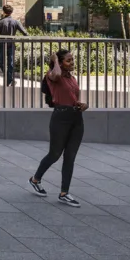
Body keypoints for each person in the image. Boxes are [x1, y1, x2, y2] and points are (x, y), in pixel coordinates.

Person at [29, 49, 86, 206]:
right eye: (68, 60)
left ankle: (64, 193)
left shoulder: (72, 79)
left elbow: (73, 98)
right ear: (59, 63)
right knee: (54, 154)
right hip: (60, 118)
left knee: (70, 157)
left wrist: (81, 104)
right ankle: (35, 179)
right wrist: (54, 60)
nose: (72, 63)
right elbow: (57, 75)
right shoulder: (52, 76)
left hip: (76, 119)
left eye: (72, 60)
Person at [0, 4, 28, 86]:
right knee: (10, 63)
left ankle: (9, 80)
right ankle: (10, 79)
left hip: (2, 44)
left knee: (1, 63)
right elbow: (25, 33)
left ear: (3, 12)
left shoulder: (0, 22)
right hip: (11, 44)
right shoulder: (16, 22)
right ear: (11, 12)